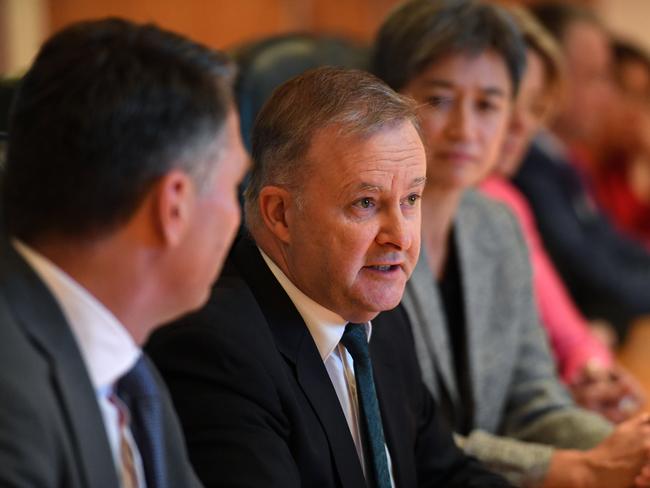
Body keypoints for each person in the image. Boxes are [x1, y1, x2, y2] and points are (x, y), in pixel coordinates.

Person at [146, 67, 512, 487]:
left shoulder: (379, 314)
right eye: (366, 203)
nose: (401, 236)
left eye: (411, 198)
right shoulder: (215, 349)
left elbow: (445, 475)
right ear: (280, 214)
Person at [372, 1, 650, 486]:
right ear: (387, 100)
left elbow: (532, 399)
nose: (465, 129)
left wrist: (623, 448)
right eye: (439, 100)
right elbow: (406, 443)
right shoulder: (364, 237)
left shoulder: (498, 223)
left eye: (487, 105)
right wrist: (580, 467)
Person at [0, 18, 247, 488]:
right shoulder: (11, 395)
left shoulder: (131, 369)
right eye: (234, 186)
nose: (238, 220)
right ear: (173, 206)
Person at [479, 5, 644, 423]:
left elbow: (558, 337)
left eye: (532, 104)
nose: (519, 123)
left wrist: (592, 367)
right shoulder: (514, 184)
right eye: (491, 101)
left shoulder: (505, 199)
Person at [513, 2, 650, 339]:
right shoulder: (526, 168)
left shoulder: (567, 163)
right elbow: (592, 273)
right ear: (546, 75)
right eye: (593, 76)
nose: (606, 96)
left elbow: (613, 244)